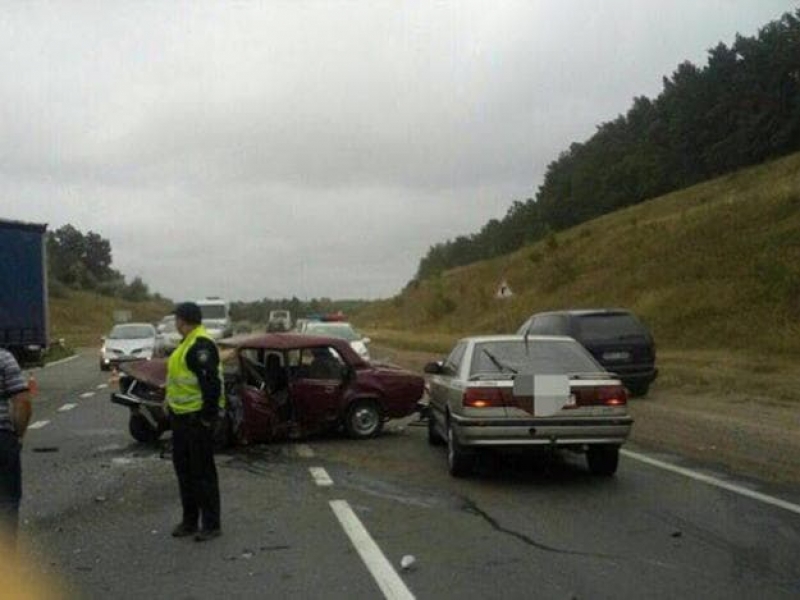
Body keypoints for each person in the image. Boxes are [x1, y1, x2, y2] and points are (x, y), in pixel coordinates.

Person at [166, 302, 225, 542]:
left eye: (177, 319)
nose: (175, 323)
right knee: (185, 472)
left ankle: (211, 524)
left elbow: (211, 385)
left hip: (196, 420)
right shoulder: (187, 343)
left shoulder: (201, 345)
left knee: (203, 474)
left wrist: (207, 419)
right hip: (181, 419)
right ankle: (190, 521)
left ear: (183, 320)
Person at [0, 349, 32, 546]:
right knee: (6, 502)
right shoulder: (4, 358)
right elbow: (23, 402)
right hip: (2, 438)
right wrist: (18, 435)